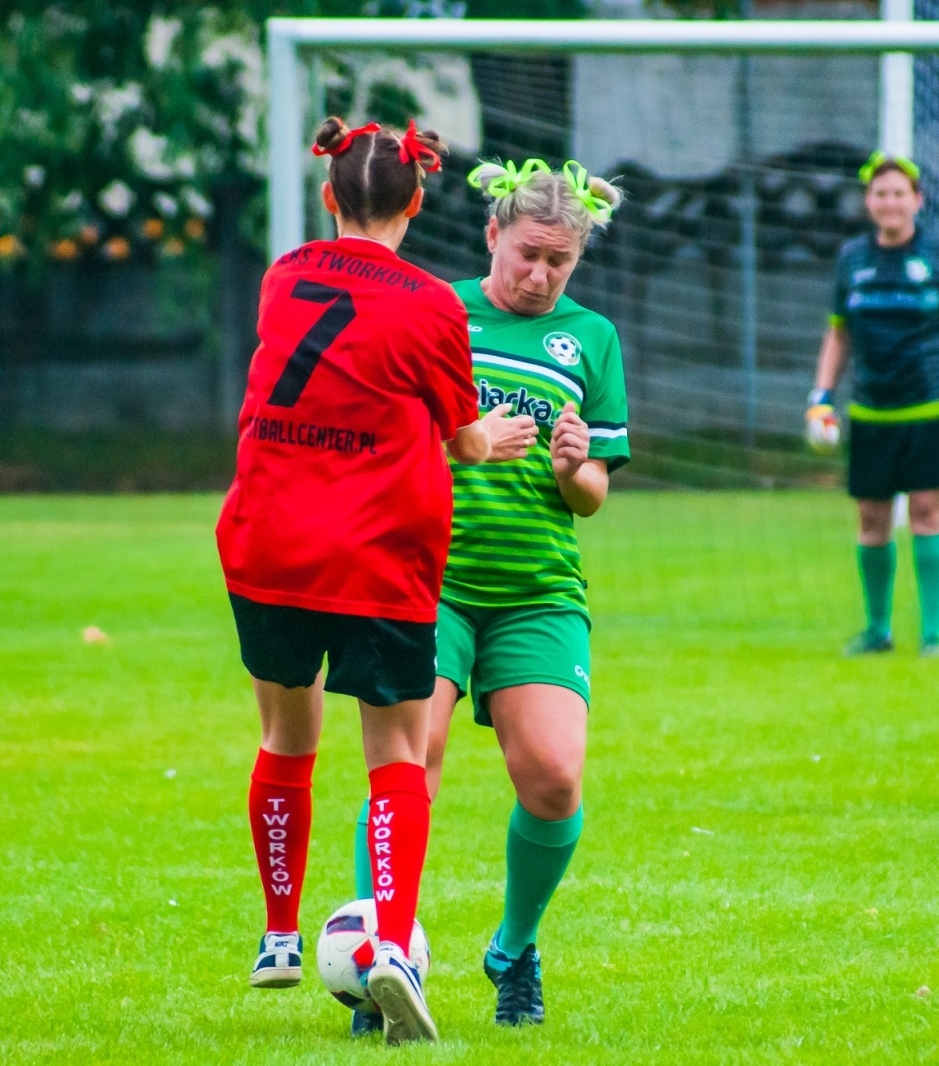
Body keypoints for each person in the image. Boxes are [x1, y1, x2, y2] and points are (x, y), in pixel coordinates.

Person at [216, 117, 536, 1045]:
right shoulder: (435, 304)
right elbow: (463, 434)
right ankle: (391, 944)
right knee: (396, 754)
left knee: (285, 732)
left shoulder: (284, 276)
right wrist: (496, 439)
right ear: (418, 201)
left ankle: (280, 934)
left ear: (329, 197)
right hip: (376, 550)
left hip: (267, 536)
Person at [347, 157, 629, 1036]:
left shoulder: (592, 339)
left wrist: (573, 465)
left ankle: (513, 949)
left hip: (538, 590)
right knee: (411, 760)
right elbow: (376, 443)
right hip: (426, 576)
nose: (540, 275)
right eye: (528, 254)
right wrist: (458, 446)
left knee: (552, 779)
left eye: (560, 262)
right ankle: (379, 963)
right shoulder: (435, 311)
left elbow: (591, 497)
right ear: (491, 236)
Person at [808, 152, 939, 657]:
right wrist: (821, 397)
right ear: (869, 202)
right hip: (872, 411)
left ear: (917, 200)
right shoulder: (852, 260)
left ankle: (933, 636)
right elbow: (838, 335)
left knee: (928, 511)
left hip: (935, 407)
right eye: (881, 194)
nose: (890, 202)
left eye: (899, 193)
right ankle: (878, 631)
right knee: (871, 519)